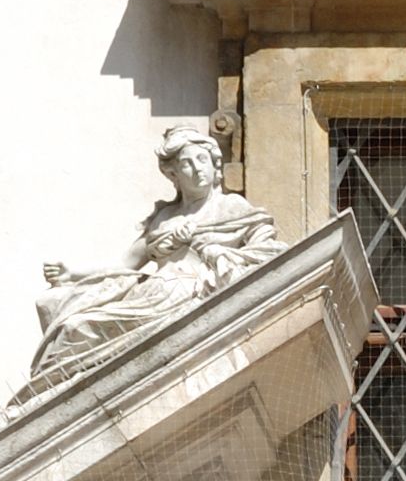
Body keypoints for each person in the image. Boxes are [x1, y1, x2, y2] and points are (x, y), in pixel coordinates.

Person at [19, 126, 283, 396]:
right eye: (186, 164)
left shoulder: (233, 208)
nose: (196, 168)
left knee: (79, 327)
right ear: (173, 174)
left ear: (215, 164)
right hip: (151, 293)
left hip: (186, 293)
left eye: (202, 159)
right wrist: (72, 274)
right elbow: (126, 264)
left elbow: (269, 254)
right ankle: (54, 399)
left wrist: (209, 249)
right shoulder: (165, 217)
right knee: (71, 324)